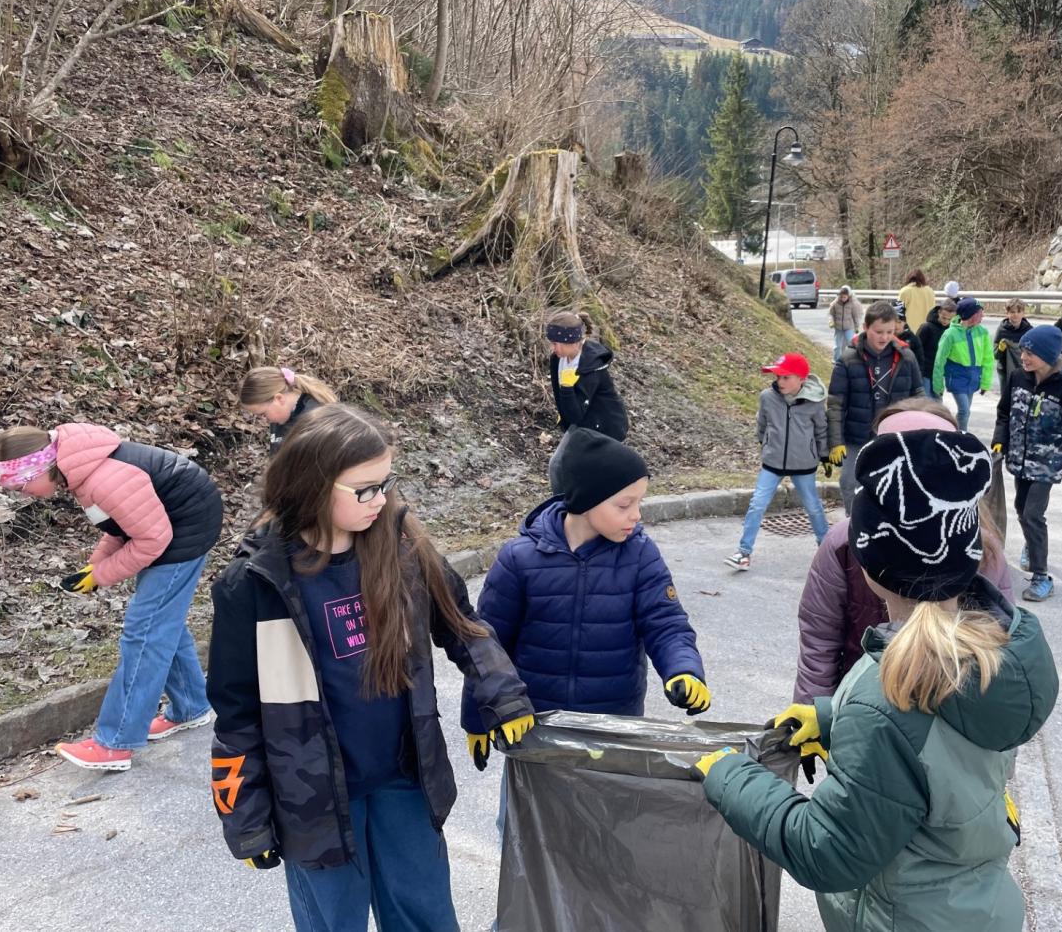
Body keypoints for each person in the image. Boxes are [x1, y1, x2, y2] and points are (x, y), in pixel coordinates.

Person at [693, 427, 1059, 932]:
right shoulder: (994, 648)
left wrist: (732, 778)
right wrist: (830, 717)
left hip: (899, 918)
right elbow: (938, 748)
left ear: (869, 562)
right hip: (977, 906)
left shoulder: (887, 692)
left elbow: (830, 851)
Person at [206, 404, 535, 932]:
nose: (381, 500)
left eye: (386, 484)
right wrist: (243, 815)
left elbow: (463, 626)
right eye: (364, 489)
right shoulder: (252, 585)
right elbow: (236, 712)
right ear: (313, 485)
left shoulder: (402, 547)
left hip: (405, 780)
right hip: (313, 802)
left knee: (426, 916)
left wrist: (504, 696)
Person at [463, 428, 710, 761]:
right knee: (529, 812)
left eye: (640, 502)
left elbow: (665, 623)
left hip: (611, 727)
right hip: (535, 727)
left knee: (605, 811)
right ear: (585, 500)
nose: (636, 515)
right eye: (625, 504)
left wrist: (683, 668)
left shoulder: (640, 555)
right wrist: (477, 717)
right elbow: (487, 645)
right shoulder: (519, 559)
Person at [0, 423, 224, 771]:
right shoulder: (78, 470)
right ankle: (191, 705)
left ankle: (115, 743)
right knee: (160, 621)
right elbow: (122, 525)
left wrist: (102, 574)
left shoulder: (103, 478)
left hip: (185, 530)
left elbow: (150, 540)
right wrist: (95, 567)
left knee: (144, 631)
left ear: (39, 468)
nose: (22, 494)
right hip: (167, 527)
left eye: (21, 486)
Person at [793, 400, 1016, 704]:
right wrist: (815, 715)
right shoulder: (843, 544)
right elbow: (819, 641)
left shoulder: (981, 549)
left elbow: (1000, 643)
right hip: (858, 703)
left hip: (952, 707)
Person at [992, 325, 1062, 602]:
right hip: (1019, 459)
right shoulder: (1017, 378)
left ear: (1048, 356)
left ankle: (1041, 577)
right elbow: (1004, 412)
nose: (1023, 357)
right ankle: (1032, 543)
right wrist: (999, 441)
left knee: (1033, 514)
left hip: (1047, 464)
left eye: (1030, 353)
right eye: (1023, 351)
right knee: (1021, 510)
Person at [724, 353, 830, 572]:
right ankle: (743, 553)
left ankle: (828, 550)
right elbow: (761, 424)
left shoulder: (815, 403)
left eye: (786, 377)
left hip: (804, 464)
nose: (779, 382)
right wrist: (766, 444)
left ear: (801, 378)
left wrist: (825, 455)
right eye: (778, 377)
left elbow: (821, 430)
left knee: (813, 506)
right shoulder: (767, 397)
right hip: (772, 462)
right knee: (757, 504)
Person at [826, 301, 923, 515]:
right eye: (879, 331)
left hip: (893, 436)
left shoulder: (907, 357)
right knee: (849, 482)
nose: (884, 337)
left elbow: (919, 397)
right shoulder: (848, 360)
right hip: (856, 435)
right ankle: (855, 523)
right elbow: (835, 404)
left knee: (892, 487)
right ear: (866, 327)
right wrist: (835, 442)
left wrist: (921, 432)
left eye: (889, 332)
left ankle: (888, 529)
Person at [544, 309, 629, 493]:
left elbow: (576, 413)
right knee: (557, 466)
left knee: (587, 472)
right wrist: (564, 417)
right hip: (582, 423)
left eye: (557, 343)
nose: (554, 348)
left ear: (573, 341)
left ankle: (610, 510)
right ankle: (561, 510)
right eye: (552, 343)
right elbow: (566, 407)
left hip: (605, 427)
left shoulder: (590, 365)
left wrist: (567, 388)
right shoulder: (558, 359)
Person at [239, 366, 338, 456]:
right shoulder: (281, 417)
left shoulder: (316, 421)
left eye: (263, 414)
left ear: (278, 399)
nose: (265, 420)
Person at [933, 297, 995, 432]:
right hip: (956, 378)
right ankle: (962, 435)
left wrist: (985, 382)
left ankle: (955, 431)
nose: (982, 315)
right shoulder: (950, 334)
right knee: (964, 411)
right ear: (970, 315)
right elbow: (939, 361)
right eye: (979, 313)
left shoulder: (982, 332)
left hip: (973, 378)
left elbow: (988, 358)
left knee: (966, 411)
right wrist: (938, 384)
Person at [916, 297, 956, 398]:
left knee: (937, 402)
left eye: (950, 319)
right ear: (939, 312)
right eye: (943, 317)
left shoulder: (951, 331)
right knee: (926, 401)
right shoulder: (926, 327)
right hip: (925, 371)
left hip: (939, 373)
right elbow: (916, 349)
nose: (946, 321)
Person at [993, 301, 1034, 396]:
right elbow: (995, 355)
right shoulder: (1002, 330)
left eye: (1019, 312)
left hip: (1024, 369)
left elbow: (1035, 352)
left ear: (1023, 313)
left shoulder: (1029, 330)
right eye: (1012, 312)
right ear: (1007, 313)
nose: (1015, 315)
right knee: (1006, 397)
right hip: (1005, 370)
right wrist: (1000, 349)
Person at [827, 286, 863, 362]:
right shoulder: (835, 304)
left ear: (848, 296)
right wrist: (831, 321)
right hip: (838, 328)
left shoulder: (852, 304)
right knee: (838, 346)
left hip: (849, 327)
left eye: (844, 297)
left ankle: (853, 359)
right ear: (839, 296)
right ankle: (836, 360)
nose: (843, 298)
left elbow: (855, 316)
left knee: (850, 343)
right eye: (841, 297)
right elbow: (830, 314)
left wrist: (856, 327)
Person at [893, 301, 924, 376]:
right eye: (893, 322)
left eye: (899, 322)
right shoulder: (885, 337)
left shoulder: (913, 339)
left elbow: (919, 361)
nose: (896, 325)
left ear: (905, 322)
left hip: (907, 376)